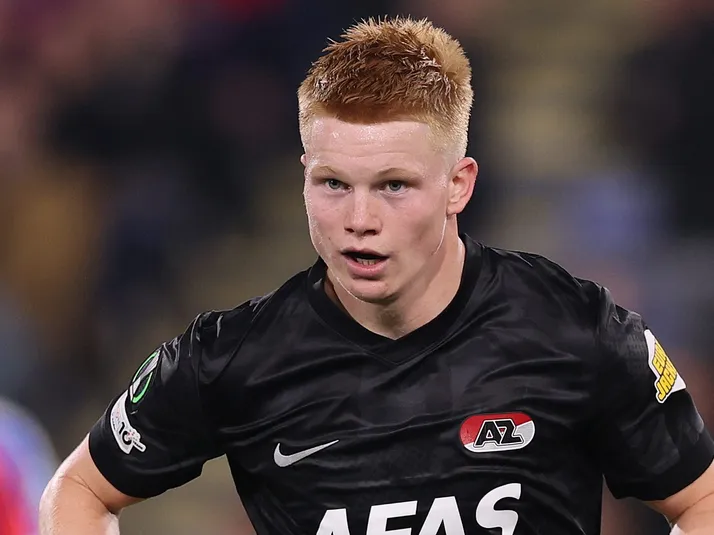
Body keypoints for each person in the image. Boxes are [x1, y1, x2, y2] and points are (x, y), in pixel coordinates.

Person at [39, 17, 714, 535]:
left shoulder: (576, 329)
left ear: (458, 185)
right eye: (333, 183)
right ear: (303, 176)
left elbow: (700, 498)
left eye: (394, 185)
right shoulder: (231, 357)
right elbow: (78, 490)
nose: (358, 220)